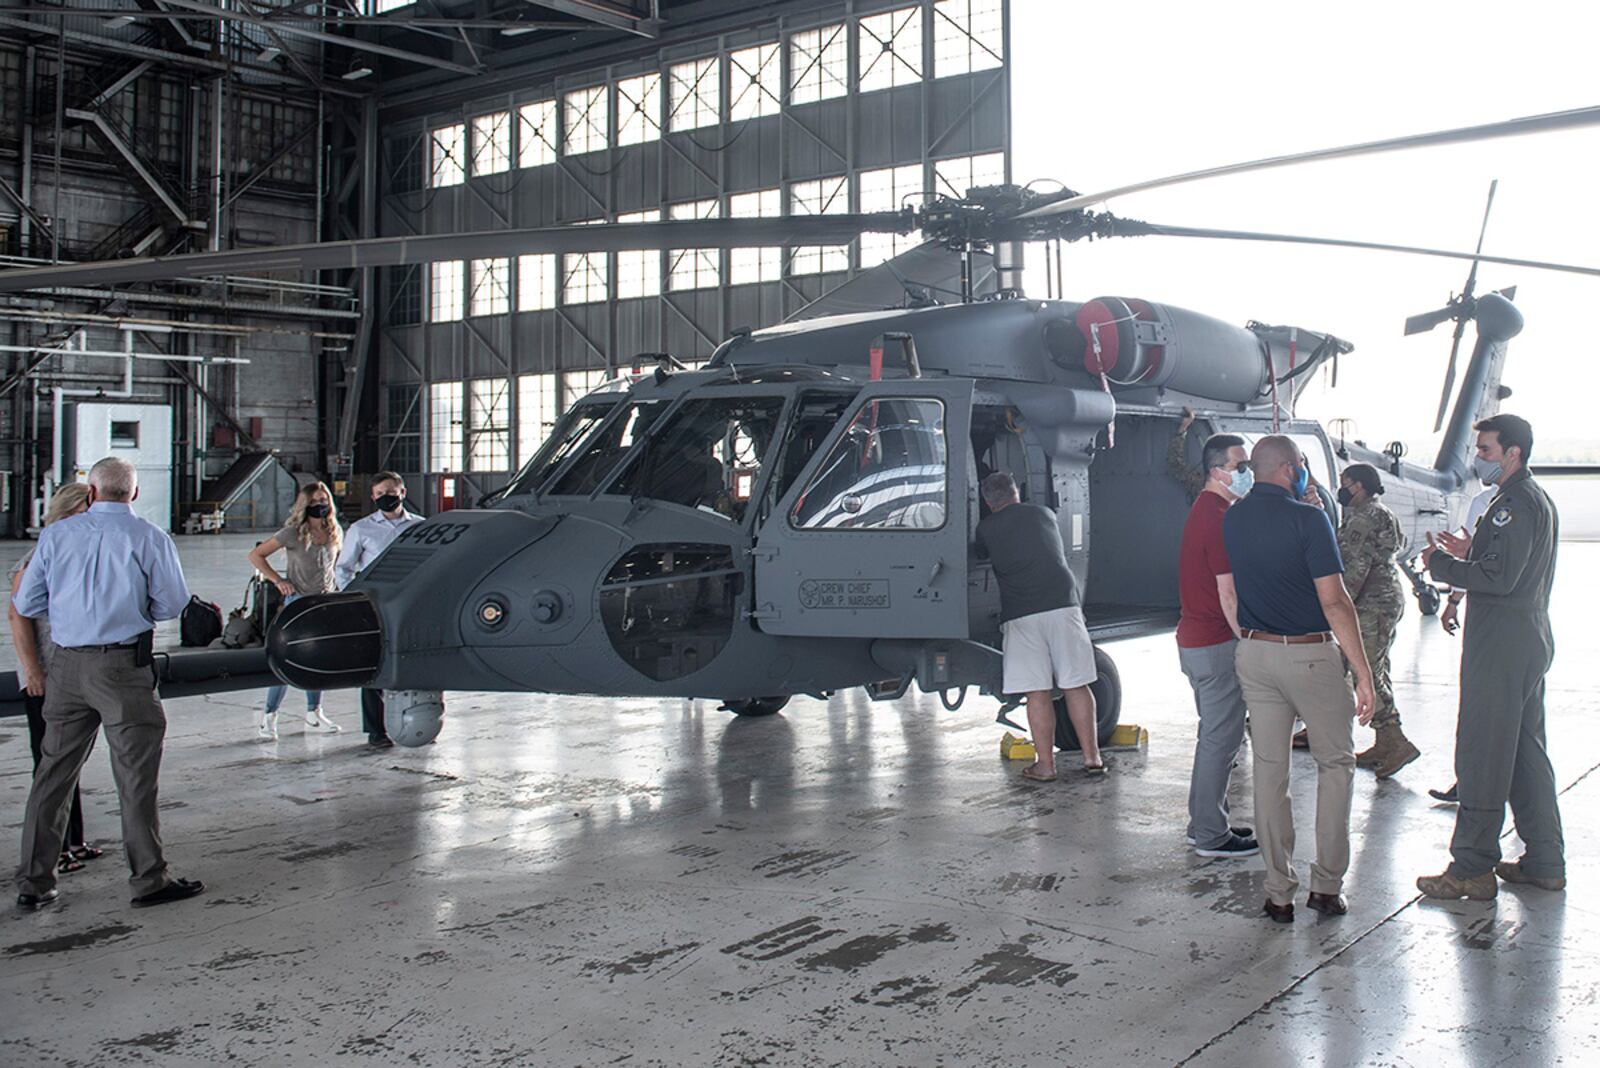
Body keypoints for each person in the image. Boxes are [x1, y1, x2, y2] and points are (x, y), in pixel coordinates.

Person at [13, 457, 203, 911]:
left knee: (53, 774)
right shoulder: (150, 538)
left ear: (92, 492)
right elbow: (172, 604)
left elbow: (28, 600)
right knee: (135, 778)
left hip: (66, 667)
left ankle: (34, 883)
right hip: (122, 668)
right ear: (134, 495)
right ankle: (148, 880)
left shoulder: (57, 536)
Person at [1223, 436, 1375, 923]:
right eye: (1303, 465)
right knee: (1336, 765)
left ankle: (1278, 892)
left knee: (1270, 772)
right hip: (1308, 656)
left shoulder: (1234, 516)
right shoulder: (1309, 519)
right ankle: (1326, 887)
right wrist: (1364, 673)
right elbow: (1334, 601)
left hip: (1254, 652)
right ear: (1290, 469)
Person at [1417, 414, 1564, 900]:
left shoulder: (1512, 505)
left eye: (1485, 450)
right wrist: (1472, 550)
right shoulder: (1530, 499)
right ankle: (1544, 859)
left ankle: (1471, 868)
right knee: (1524, 754)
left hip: (1501, 644)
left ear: (1513, 453)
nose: (1478, 458)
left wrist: (1440, 564)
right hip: (1525, 638)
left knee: (1481, 753)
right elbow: (1505, 563)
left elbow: (1498, 579)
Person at [974, 472, 1104, 781]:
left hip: (1022, 613)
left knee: (1037, 691)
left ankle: (1045, 766)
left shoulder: (986, 528)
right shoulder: (1044, 513)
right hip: (1063, 604)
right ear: (1016, 492)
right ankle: (1092, 758)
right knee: (1077, 683)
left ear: (988, 502)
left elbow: (980, 554)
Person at [8, 483, 103, 876]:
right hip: (45, 675)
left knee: (70, 762)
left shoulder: (72, 553)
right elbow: (18, 616)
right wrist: (33, 671)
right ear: (72, 512)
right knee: (49, 766)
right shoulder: (39, 556)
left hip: (70, 673)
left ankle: (74, 840)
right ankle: (55, 850)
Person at [1176, 434, 1260, 858]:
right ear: (1216, 471)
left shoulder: (1210, 509)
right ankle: (1210, 835)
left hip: (1198, 640)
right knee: (1221, 740)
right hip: (1214, 642)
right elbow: (1228, 594)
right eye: (1239, 465)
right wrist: (1247, 643)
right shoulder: (1219, 518)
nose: (1246, 472)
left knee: (1216, 737)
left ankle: (1208, 823)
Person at [1336, 463, 1419, 778]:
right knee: (1376, 667)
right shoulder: (1380, 511)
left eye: (1345, 484)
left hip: (1370, 604)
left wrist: (1337, 608)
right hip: (1383, 600)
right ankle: (1385, 742)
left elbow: (1353, 571)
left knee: (1365, 670)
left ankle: (1395, 741)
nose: (1342, 490)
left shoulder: (1364, 518)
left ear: (1358, 486)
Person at [247, 481, 344, 739]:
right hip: (298, 603)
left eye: (323, 501)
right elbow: (256, 555)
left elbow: (338, 566)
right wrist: (278, 581)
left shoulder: (334, 531)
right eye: (313, 502)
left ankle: (314, 713)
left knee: (318, 660)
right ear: (304, 505)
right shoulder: (292, 533)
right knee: (286, 661)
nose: (319, 506)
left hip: (325, 602)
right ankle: (269, 717)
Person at [335, 472, 424, 749]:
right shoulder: (361, 530)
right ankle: (376, 731)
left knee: (417, 664)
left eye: (391, 491)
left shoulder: (421, 527)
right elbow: (343, 568)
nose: (387, 496)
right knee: (374, 667)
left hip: (412, 605)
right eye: (380, 493)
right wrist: (357, 600)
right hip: (375, 606)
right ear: (373, 497)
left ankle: (420, 724)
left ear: (403, 492)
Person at [1429, 479, 1499, 804]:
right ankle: (1475, 781)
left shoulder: (1491, 503)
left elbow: (1472, 562)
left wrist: (1453, 597)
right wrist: (1454, 601)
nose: (1481, 459)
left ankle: (1475, 784)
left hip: (1493, 626)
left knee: (1480, 708)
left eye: (1486, 449)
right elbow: (1469, 555)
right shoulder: (1523, 501)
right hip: (1498, 623)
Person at [1167, 407, 1207, 499]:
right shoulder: (1205, 485)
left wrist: (1182, 429)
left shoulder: (1205, 485)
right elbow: (1176, 465)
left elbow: (1176, 465)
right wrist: (1183, 429)